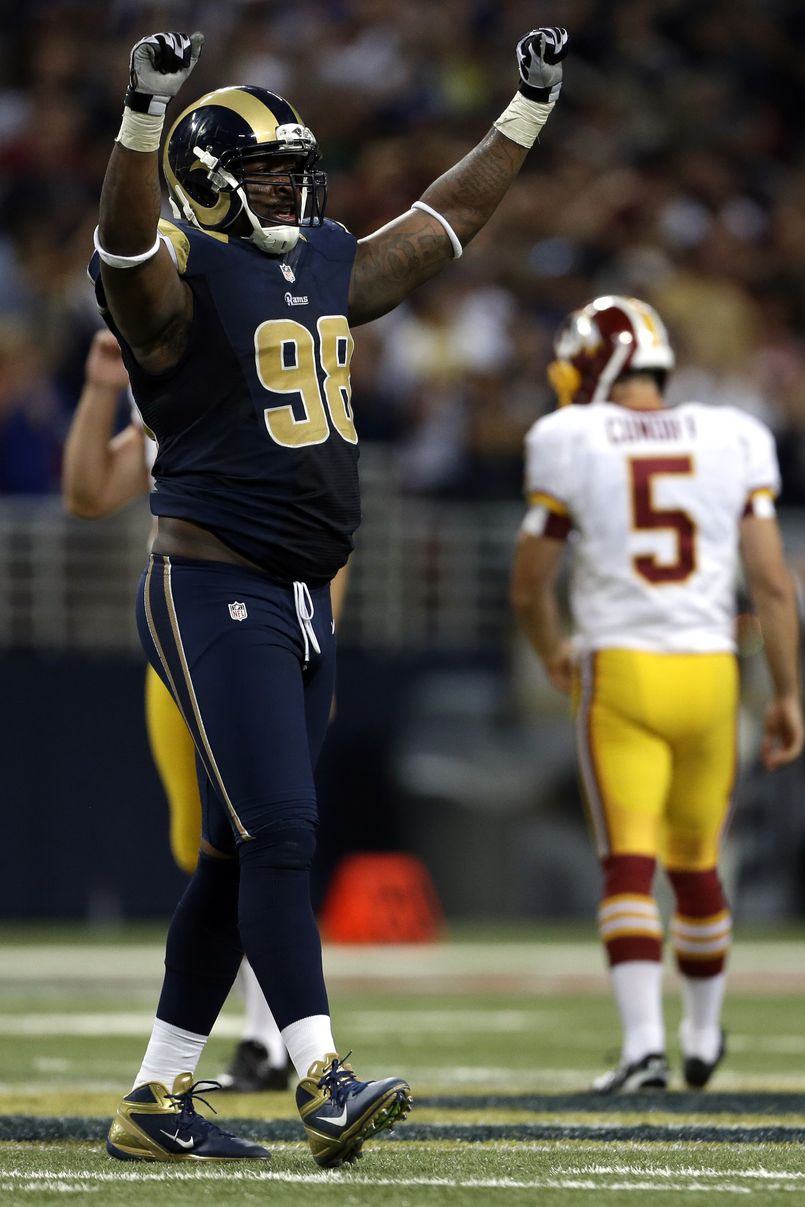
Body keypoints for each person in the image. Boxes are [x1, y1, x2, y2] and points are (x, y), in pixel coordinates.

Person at [92, 25, 568, 1166]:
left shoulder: (311, 261)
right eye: (264, 172)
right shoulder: (175, 274)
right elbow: (119, 251)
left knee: (232, 848)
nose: (290, 188)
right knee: (285, 832)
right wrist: (141, 118)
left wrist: (524, 112)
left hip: (301, 594)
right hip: (214, 581)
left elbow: (437, 230)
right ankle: (319, 1073)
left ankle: (156, 1099)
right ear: (206, 183)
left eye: (293, 169)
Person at [510, 295, 805, 1094]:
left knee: (629, 867)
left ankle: (644, 1048)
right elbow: (774, 585)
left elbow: (530, 585)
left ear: (597, 362)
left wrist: (550, 650)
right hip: (712, 672)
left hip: (623, 671)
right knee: (699, 865)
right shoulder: (734, 432)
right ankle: (703, 1034)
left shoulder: (568, 437)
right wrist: (786, 695)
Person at [61, 327, 309, 1093]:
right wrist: (106, 383)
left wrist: (312, 637)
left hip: (262, 622)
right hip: (186, 624)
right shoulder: (181, 390)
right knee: (205, 843)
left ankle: (272, 1042)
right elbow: (88, 492)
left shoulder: (279, 377)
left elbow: (331, 525)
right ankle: (227, 1049)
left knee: (263, 831)